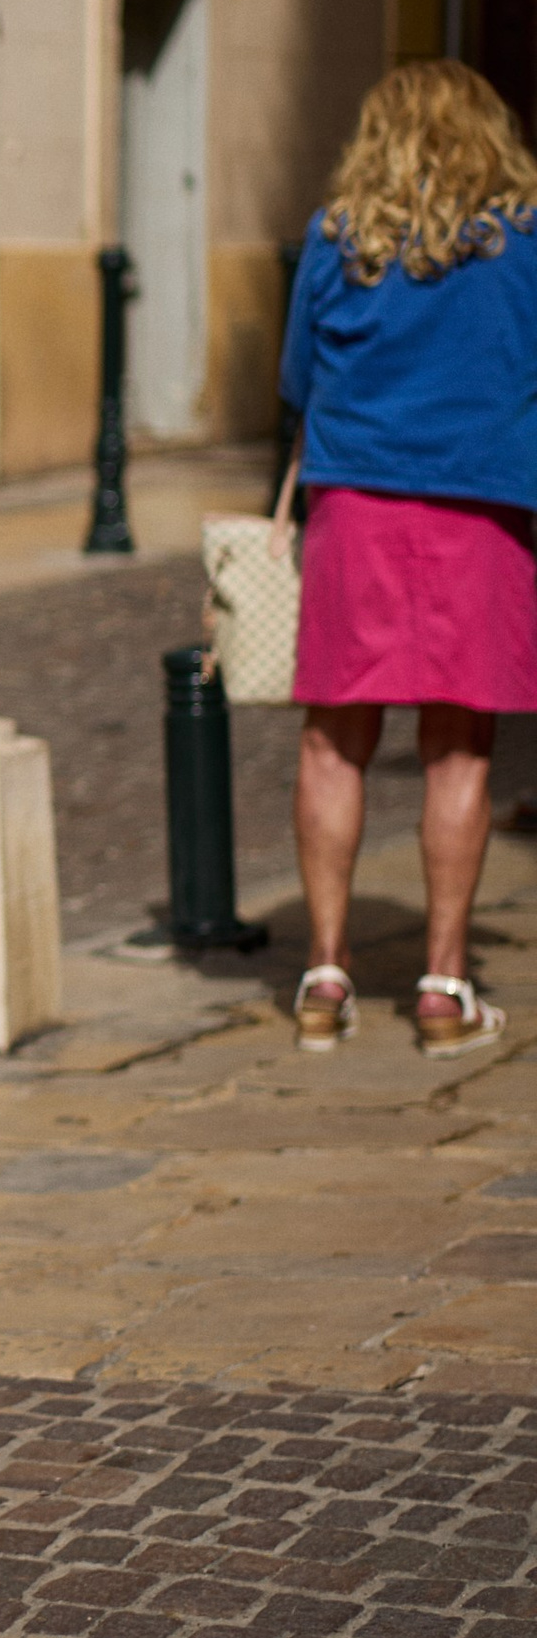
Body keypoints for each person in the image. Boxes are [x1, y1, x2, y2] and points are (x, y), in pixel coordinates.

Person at [282, 59, 537, 1055]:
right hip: (481, 507)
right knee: (458, 746)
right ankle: (442, 985)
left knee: (331, 739)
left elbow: (296, 378)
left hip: (356, 504)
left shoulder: (336, 238)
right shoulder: (523, 241)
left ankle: (324, 974)